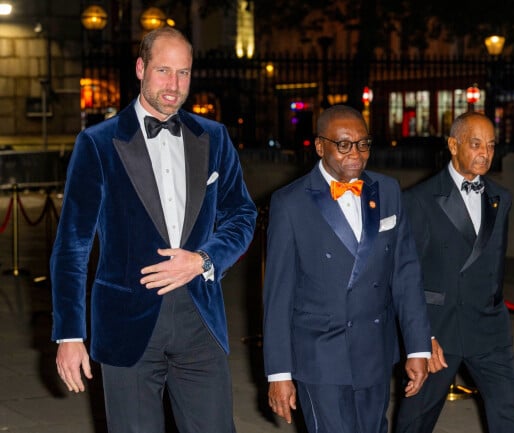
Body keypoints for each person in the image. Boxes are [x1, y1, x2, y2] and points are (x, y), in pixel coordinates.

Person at [50, 27, 257, 433]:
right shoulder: (97, 143)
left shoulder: (213, 137)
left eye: (183, 73)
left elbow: (242, 215)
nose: (174, 85)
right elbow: (72, 246)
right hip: (126, 325)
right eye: (164, 71)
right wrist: (69, 334)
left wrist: (203, 259)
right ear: (141, 68)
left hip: (200, 321)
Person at [262, 104, 432, 433]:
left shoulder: (388, 191)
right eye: (343, 144)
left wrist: (418, 346)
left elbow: (406, 276)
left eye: (363, 143)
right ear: (320, 145)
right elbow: (278, 295)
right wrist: (279, 373)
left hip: (375, 351)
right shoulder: (290, 203)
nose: (355, 154)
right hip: (320, 355)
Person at [395, 111, 514, 433]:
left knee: (509, 414)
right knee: (416, 419)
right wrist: (421, 337)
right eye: (476, 144)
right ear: (453, 145)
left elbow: (492, 265)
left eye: (491, 145)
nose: (485, 153)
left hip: (489, 327)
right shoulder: (420, 200)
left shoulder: (501, 198)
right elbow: (404, 273)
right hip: (439, 330)